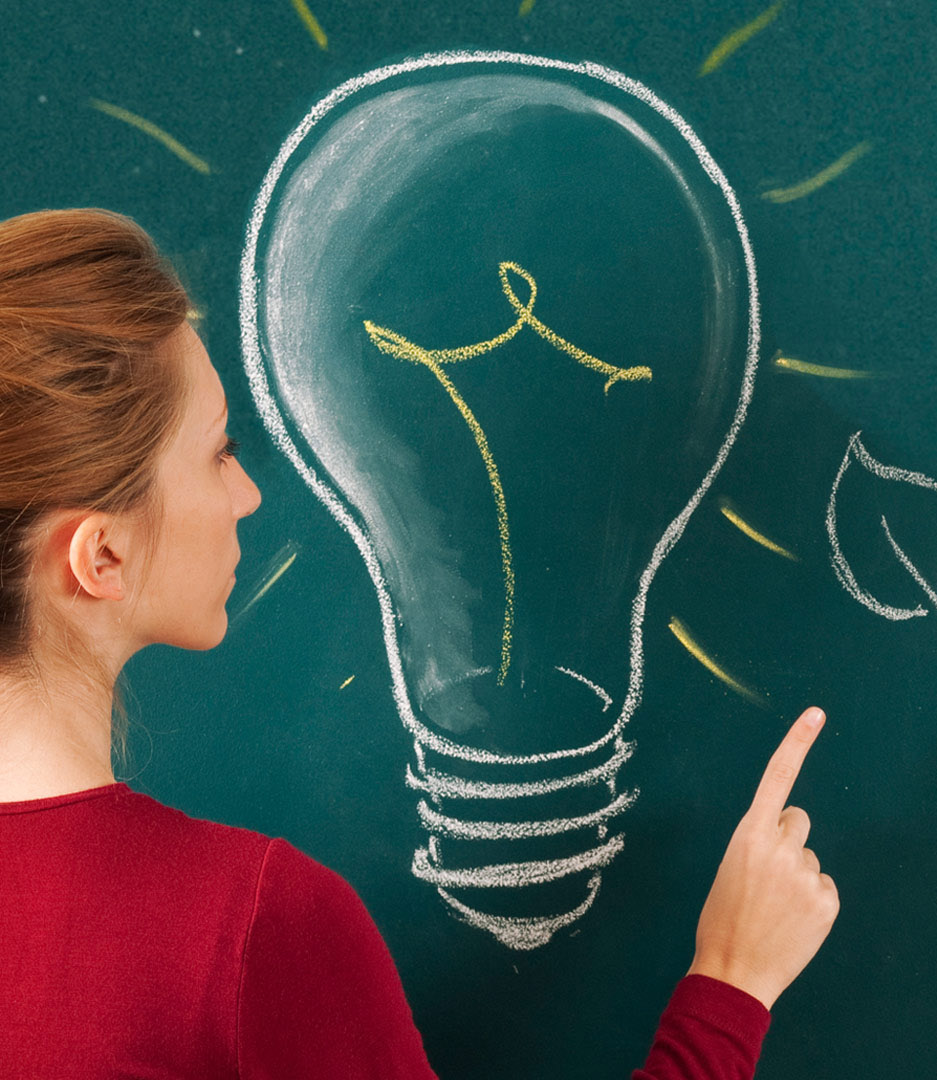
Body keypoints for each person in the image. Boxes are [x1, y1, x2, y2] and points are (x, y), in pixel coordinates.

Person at [0, 208, 840, 1078]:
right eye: (220, 451)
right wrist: (733, 984)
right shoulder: (248, 928)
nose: (246, 494)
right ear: (101, 554)